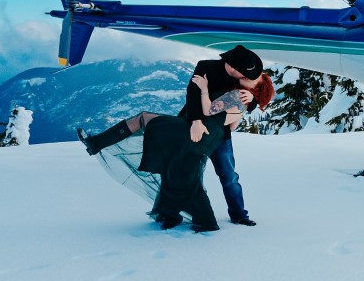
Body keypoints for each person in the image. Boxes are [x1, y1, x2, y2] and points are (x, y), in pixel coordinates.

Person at [77, 91, 245, 233]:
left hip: (202, 134)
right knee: (176, 169)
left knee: (185, 175)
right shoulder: (230, 95)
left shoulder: (237, 102)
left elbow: (221, 119)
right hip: (191, 128)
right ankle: (175, 215)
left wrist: (205, 91)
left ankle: (202, 221)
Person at [180, 45, 275, 227]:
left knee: (229, 176)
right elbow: (192, 94)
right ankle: (172, 212)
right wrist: (196, 121)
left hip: (220, 135)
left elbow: (235, 114)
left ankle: (239, 214)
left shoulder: (240, 88)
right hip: (193, 127)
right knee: (184, 172)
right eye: (246, 76)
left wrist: (252, 99)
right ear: (233, 68)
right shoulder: (205, 67)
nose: (247, 78)